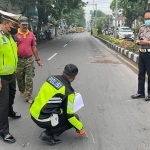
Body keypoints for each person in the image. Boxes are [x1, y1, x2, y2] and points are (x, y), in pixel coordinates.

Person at [29, 64, 88, 146]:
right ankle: (48, 134)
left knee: (62, 109)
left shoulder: (51, 78)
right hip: (42, 119)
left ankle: (51, 125)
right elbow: (70, 116)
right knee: (75, 118)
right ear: (74, 77)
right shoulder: (68, 92)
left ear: (63, 71)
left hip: (33, 112)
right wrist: (80, 128)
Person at [0, 10, 21, 143]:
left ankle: (10, 112)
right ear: (5, 23)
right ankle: (3, 131)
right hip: (1, 77)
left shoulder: (9, 37)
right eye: (11, 26)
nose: (13, 28)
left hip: (11, 74)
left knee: (11, 96)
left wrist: (15, 69)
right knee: (3, 104)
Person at [14, 16, 43, 104]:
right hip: (19, 60)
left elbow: (34, 47)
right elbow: (13, 49)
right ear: (19, 25)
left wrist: (38, 60)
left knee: (29, 78)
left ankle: (29, 96)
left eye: (26, 24)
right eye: (23, 24)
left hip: (29, 59)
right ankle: (22, 90)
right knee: (19, 77)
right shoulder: (15, 35)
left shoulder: (31, 35)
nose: (24, 26)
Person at [131, 10, 150, 101]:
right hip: (141, 52)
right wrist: (140, 42)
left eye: (149, 18)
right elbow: (137, 39)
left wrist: (148, 42)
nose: (147, 20)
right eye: (145, 18)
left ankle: (149, 94)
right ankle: (140, 92)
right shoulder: (142, 28)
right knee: (141, 74)